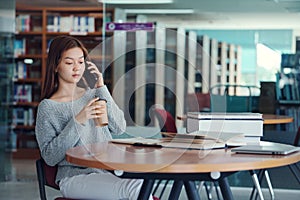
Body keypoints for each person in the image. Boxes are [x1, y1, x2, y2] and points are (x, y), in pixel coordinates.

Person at [35, 35, 153, 200]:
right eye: (69, 63)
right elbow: (50, 157)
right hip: (74, 178)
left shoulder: (93, 94)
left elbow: (120, 127)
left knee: (144, 183)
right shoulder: (48, 107)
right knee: (137, 188)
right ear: (55, 66)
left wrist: (101, 86)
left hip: (107, 172)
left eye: (81, 62)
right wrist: (78, 121)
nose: (77, 68)